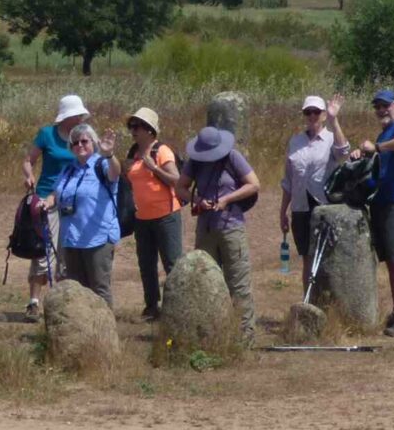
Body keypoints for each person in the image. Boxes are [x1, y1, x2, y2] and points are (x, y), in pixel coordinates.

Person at [177, 125, 261, 341]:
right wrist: (198, 201)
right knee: (205, 282)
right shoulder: (194, 161)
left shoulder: (233, 157)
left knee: (238, 283)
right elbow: (180, 188)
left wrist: (227, 200)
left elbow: (254, 184)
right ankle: (209, 334)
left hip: (231, 226)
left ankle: (245, 337)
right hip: (206, 228)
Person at [355, 88, 394, 337]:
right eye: (377, 107)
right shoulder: (384, 132)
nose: (381, 110)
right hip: (380, 202)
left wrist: (379, 147)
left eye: (386, 105)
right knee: (391, 263)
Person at [39, 122, 120, 305]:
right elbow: (56, 192)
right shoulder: (69, 169)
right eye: (75, 143)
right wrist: (47, 202)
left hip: (98, 237)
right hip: (72, 238)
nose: (80, 145)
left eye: (84, 141)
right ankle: (82, 331)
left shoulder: (102, 164)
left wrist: (110, 154)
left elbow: (115, 174)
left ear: (94, 142)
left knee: (99, 288)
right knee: (77, 289)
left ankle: (105, 330)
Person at [21, 95, 88, 313]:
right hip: (45, 199)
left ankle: (62, 301)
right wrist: (29, 175)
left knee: (68, 251)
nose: (80, 118)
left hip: (72, 199)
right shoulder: (47, 134)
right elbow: (28, 160)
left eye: (80, 115)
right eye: (77, 115)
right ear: (67, 116)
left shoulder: (81, 137)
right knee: (43, 250)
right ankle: (34, 302)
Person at [279, 94, 349, 293]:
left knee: (327, 257)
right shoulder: (295, 141)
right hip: (300, 207)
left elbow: (343, 153)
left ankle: (329, 303)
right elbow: (288, 181)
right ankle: (308, 301)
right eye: (308, 112)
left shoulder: (330, 138)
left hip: (324, 206)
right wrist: (283, 211)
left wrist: (335, 121)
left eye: (316, 112)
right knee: (307, 258)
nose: (312, 116)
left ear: (324, 115)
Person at [123, 107, 183, 319]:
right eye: (131, 126)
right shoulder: (132, 153)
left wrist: (154, 168)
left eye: (137, 126)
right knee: (146, 264)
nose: (133, 130)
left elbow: (177, 180)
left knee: (172, 263)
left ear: (149, 130)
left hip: (166, 216)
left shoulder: (162, 151)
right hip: (141, 218)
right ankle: (151, 307)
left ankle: (177, 306)